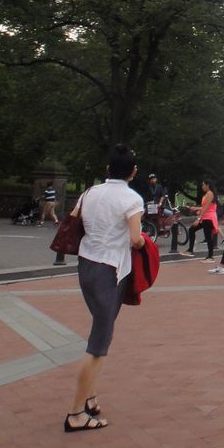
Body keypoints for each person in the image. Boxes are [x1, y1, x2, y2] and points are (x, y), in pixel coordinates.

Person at [65, 144, 145, 432]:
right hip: (110, 270)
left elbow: (74, 219)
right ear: (133, 172)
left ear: (108, 169)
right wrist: (143, 242)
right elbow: (135, 239)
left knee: (100, 329)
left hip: (86, 264)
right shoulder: (132, 199)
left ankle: (90, 397)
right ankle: (76, 413)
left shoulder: (90, 192)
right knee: (99, 344)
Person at [186, 179, 219, 261]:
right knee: (192, 230)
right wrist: (196, 208)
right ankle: (191, 250)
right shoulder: (207, 194)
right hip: (205, 217)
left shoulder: (210, 193)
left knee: (208, 237)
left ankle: (210, 256)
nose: (202, 187)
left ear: (207, 185)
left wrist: (198, 218)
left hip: (209, 218)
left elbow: (207, 207)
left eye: (203, 185)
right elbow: (205, 207)